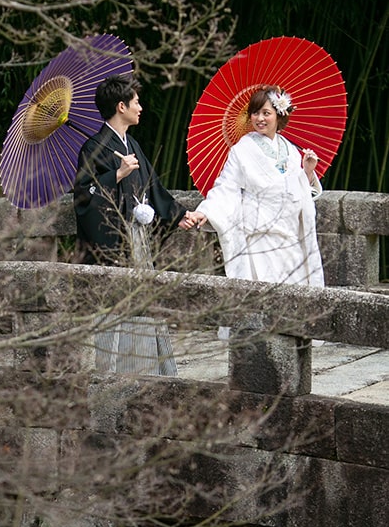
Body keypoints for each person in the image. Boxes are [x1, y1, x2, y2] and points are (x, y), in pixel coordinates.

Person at [73, 74, 195, 376]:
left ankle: (148, 370)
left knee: (144, 301)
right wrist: (115, 175)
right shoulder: (93, 148)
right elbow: (83, 197)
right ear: (121, 106)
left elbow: (153, 189)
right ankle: (114, 374)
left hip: (137, 239)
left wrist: (179, 214)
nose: (140, 107)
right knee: (117, 305)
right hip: (112, 244)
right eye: (136, 102)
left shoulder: (133, 146)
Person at [186, 85, 324, 292]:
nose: (260, 118)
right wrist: (206, 211)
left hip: (290, 234)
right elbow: (226, 186)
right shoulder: (242, 150)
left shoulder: (292, 151)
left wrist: (308, 172)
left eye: (266, 113)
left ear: (279, 115)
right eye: (255, 113)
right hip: (260, 235)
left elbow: (299, 192)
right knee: (264, 295)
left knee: (293, 298)